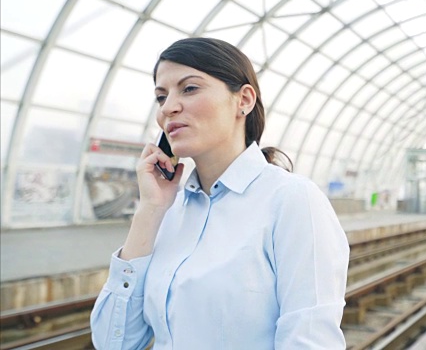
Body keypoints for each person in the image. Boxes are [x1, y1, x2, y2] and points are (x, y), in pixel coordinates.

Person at [90, 38, 350, 348]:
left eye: (189, 89)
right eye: (162, 96)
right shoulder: (169, 211)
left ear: (244, 100)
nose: (168, 108)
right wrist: (149, 211)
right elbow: (112, 343)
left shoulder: (292, 200)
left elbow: (309, 340)